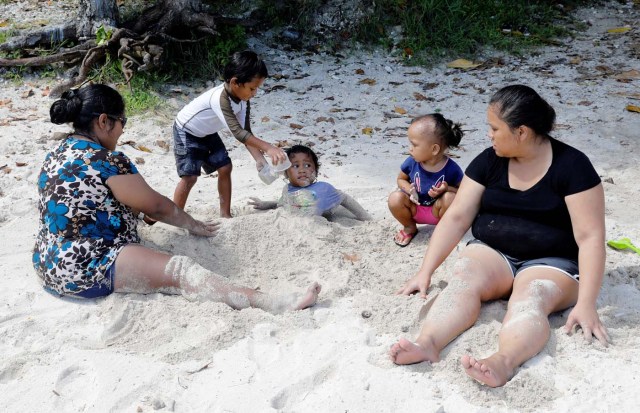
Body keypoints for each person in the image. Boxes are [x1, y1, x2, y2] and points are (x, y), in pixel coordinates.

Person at [390, 85, 610, 387]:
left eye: (495, 128)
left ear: (521, 131)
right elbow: (456, 218)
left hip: (552, 263)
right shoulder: (489, 160)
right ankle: (427, 343)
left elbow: (591, 238)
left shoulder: (573, 166)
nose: (489, 135)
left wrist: (587, 303)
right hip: (493, 252)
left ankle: (503, 361)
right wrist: (424, 272)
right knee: (464, 278)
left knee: (530, 299)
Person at [32, 84, 320, 313]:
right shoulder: (108, 160)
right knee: (182, 271)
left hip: (47, 263)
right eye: (122, 122)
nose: (123, 130)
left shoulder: (57, 152)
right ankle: (274, 303)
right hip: (86, 267)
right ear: (104, 121)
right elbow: (156, 206)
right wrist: (191, 224)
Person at [166, 50, 287, 220]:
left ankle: (225, 215)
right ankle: (174, 217)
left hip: (207, 132)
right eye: (252, 88)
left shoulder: (243, 100)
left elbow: (246, 133)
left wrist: (260, 160)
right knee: (190, 177)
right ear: (235, 82)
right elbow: (238, 133)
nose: (254, 93)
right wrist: (269, 148)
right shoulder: (220, 98)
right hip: (187, 131)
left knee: (225, 167)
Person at [388, 114, 464, 247]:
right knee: (395, 198)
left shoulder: (452, 168)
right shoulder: (412, 162)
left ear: (434, 149)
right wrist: (409, 190)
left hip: (438, 211)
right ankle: (410, 227)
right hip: (414, 208)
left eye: (414, 144)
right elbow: (401, 179)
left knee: (450, 198)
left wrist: (447, 189)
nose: (410, 148)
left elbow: (464, 192)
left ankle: (444, 231)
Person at [248, 145, 372, 221]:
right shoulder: (287, 189)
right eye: (295, 166)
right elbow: (284, 204)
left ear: (315, 170)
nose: (302, 170)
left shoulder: (323, 188)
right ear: (285, 173)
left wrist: (365, 218)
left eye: (307, 165)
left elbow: (345, 198)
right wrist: (265, 204)